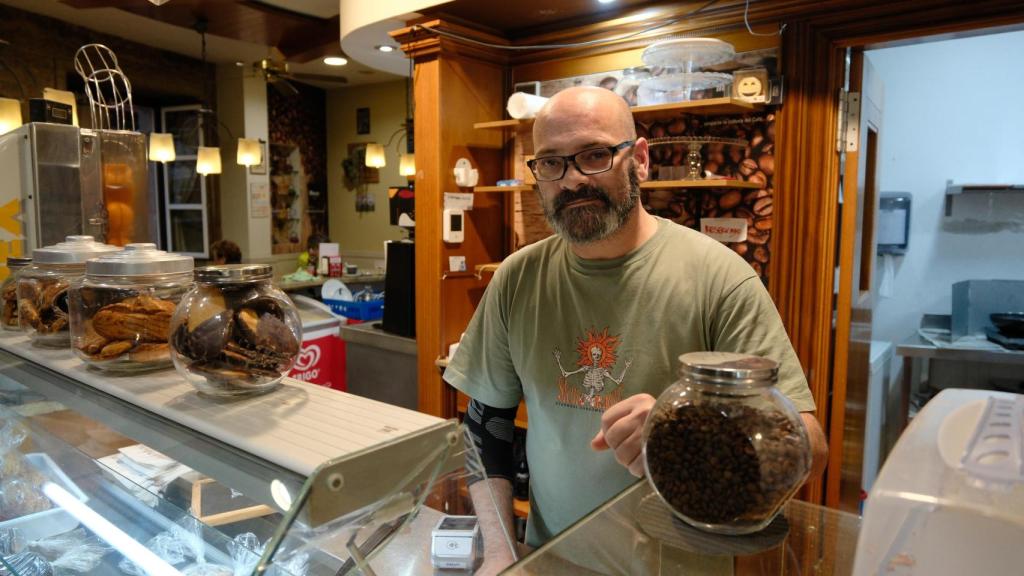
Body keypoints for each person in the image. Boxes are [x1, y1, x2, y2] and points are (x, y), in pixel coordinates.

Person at [443, 86, 828, 574]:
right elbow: (486, 427)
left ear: (639, 160)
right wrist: (500, 553)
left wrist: (682, 431)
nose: (573, 179)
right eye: (552, 164)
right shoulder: (517, 279)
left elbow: (809, 451)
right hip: (550, 562)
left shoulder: (718, 277)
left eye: (595, 155)